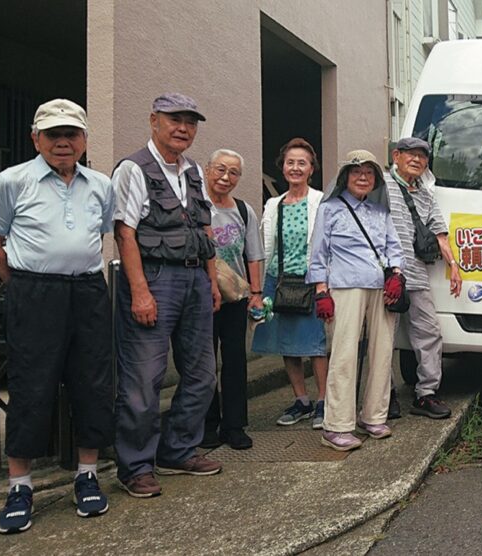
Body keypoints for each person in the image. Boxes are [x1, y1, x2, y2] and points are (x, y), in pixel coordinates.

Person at [0, 99, 114, 533]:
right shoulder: (13, 180)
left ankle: (87, 475)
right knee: (30, 384)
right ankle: (20, 486)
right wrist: (17, 283)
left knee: (92, 381)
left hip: (89, 291)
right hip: (35, 293)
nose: (62, 142)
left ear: (84, 140)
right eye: (53, 134)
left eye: (71, 134)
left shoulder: (100, 184)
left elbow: (101, 233)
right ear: (35, 138)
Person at [112, 93, 222, 498]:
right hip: (155, 279)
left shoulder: (193, 170)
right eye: (175, 119)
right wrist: (139, 291)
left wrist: (211, 281)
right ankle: (136, 465)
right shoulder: (132, 168)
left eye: (190, 122)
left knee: (202, 374)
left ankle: (177, 450)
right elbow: (125, 232)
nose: (183, 128)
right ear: (154, 120)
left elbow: (205, 233)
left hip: (195, 281)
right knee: (144, 378)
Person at [307, 150, 404, 451]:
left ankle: (373, 415)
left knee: (382, 352)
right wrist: (321, 291)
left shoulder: (381, 211)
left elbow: (394, 246)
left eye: (369, 173)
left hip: (381, 288)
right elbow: (318, 253)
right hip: (345, 286)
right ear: (345, 177)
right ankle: (335, 425)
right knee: (345, 355)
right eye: (356, 172)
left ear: (375, 179)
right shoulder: (330, 209)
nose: (362, 177)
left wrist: (397, 275)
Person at [253, 138, 328, 429]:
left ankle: (323, 401)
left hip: (311, 281)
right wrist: (259, 288)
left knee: (316, 345)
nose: (295, 168)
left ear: (311, 169)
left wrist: (326, 281)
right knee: (288, 344)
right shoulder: (273, 204)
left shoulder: (321, 201)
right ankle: (301, 400)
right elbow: (265, 247)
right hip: (279, 280)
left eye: (302, 163)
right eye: (290, 162)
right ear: (283, 167)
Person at [384, 137, 461, 419]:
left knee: (429, 332)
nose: (416, 160)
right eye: (410, 154)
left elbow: (440, 233)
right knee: (384, 337)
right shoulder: (381, 184)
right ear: (396, 155)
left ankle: (426, 394)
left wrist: (454, 265)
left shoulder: (426, 195)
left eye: (422, 156)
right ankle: (385, 395)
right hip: (384, 276)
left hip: (416, 275)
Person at [201, 149, 264, 450]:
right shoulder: (196, 206)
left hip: (236, 297)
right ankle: (207, 424)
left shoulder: (242, 210)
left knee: (235, 360)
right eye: (220, 169)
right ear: (207, 169)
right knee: (204, 362)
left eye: (234, 172)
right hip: (202, 296)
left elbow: (253, 254)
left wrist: (256, 293)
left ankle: (235, 425)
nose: (226, 177)